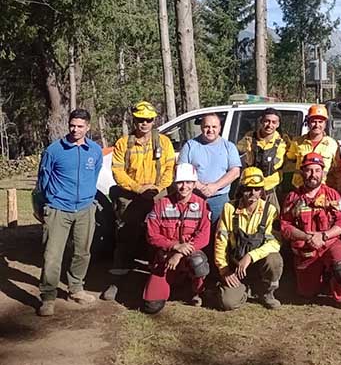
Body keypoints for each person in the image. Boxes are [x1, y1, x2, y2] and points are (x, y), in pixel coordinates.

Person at [102, 101, 175, 301]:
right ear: (134, 120)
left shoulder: (164, 143)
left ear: (154, 121)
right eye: (140, 120)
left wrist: (157, 188)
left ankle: (156, 278)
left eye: (148, 120)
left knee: (159, 235)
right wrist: (138, 188)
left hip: (157, 194)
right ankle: (117, 281)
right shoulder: (123, 143)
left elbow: (169, 170)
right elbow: (117, 171)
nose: (144, 124)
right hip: (131, 194)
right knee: (125, 236)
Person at [36, 109, 103, 316]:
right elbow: (42, 181)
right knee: (52, 255)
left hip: (85, 209)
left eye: (80, 126)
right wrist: (45, 205)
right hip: (58, 209)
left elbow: (96, 173)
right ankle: (48, 297)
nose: (75, 129)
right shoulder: (54, 150)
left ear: (88, 127)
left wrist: (88, 199)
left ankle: (76, 288)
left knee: (82, 252)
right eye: (72, 125)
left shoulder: (95, 150)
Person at [280, 152, 341, 309]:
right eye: (309, 170)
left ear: (323, 173)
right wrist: (307, 237)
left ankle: (340, 294)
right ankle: (320, 280)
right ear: (302, 172)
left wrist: (324, 236)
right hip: (306, 248)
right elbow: (285, 226)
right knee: (306, 293)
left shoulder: (332, 195)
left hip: (329, 244)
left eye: (317, 170)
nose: (313, 174)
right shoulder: (293, 197)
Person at [142, 163, 211, 314]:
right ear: (174, 183)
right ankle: (174, 282)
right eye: (180, 182)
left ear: (194, 184)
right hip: (166, 257)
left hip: (188, 256)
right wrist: (174, 246)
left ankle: (197, 291)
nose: (184, 186)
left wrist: (180, 253)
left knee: (198, 261)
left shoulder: (202, 205)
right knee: (151, 305)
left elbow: (204, 237)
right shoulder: (161, 204)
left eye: (188, 182)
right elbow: (152, 235)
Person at [214, 167, 283, 311]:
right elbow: (221, 241)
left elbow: (275, 242)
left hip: (259, 264)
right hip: (235, 266)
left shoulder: (270, 210)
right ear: (241, 189)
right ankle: (244, 289)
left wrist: (250, 256)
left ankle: (267, 293)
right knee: (228, 303)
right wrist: (224, 270)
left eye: (257, 189)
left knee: (275, 259)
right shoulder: (229, 208)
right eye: (248, 189)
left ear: (262, 190)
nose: (252, 193)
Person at [178, 113, 241, 229]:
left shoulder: (229, 147)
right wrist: (201, 187)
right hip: (194, 197)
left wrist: (215, 186)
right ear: (201, 127)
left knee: (220, 234)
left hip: (220, 199)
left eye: (214, 127)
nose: (210, 130)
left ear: (219, 128)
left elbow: (235, 172)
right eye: (207, 126)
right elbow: (182, 171)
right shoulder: (190, 146)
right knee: (192, 232)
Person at [237, 108, 287, 209]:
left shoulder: (283, 141)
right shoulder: (249, 138)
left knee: (273, 219)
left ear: (278, 124)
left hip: (271, 188)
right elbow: (235, 151)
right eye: (267, 121)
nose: (270, 125)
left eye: (274, 122)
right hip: (250, 188)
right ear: (261, 121)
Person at [286, 104, 341, 190]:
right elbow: (289, 162)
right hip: (300, 189)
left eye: (320, 122)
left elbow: (338, 171)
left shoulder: (332, 144)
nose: (317, 125)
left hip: (323, 190)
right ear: (308, 123)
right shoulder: (297, 142)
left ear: (325, 124)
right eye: (313, 121)